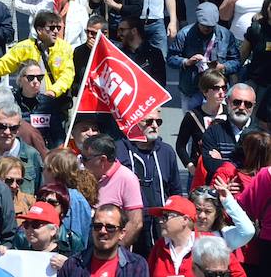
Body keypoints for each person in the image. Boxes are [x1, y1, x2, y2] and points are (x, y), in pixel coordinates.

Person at [116, 108, 183, 256]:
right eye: (148, 121)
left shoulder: (166, 151)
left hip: (161, 225)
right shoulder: (119, 150)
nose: (154, 125)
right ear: (134, 123)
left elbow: (176, 191)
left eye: (158, 121)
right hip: (131, 225)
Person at [0, 10, 73, 102]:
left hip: (55, 101)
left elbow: (67, 75)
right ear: (39, 30)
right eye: (51, 28)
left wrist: (53, 91)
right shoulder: (25, 46)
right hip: (30, 101)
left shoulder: (64, 48)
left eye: (58, 28)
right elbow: (3, 64)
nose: (56, 31)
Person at [146, 196, 247, 277]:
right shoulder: (160, 246)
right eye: (160, 217)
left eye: (166, 217)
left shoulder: (209, 243)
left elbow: (238, 274)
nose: (160, 221)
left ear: (185, 220)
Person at [168, 3, 240, 111]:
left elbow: (236, 61)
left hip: (217, 88)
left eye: (211, 26)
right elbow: (170, 58)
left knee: (217, 123)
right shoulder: (184, 34)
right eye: (204, 25)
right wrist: (186, 62)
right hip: (192, 89)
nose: (207, 28)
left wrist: (223, 67)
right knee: (192, 122)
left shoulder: (226, 35)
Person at [79, 134, 144, 248]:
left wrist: (114, 251)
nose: (82, 162)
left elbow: (135, 222)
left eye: (85, 159)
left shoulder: (127, 178)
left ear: (102, 159)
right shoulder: (83, 175)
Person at [57, 204, 149, 277]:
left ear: (122, 233)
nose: (103, 231)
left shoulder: (136, 266)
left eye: (110, 227)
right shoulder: (73, 265)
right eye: (97, 226)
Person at [202, 83, 258, 180]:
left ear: (253, 106)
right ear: (227, 101)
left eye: (247, 104)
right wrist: (247, 168)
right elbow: (210, 164)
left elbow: (263, 170)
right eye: (237, 102)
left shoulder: (261, 135)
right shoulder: (213, 132)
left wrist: (223, 162)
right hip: (219, 189)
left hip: (251, 191)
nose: (241, 107)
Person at [0, 102, 43, 196]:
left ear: (19, 128)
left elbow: (40, 191)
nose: (7, 132)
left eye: (13, 128)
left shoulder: (31, 155)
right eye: (2, 126)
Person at [189, 183, 255, 253]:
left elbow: (247, 231)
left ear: (217, 214)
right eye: (198, 210)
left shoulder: (225, 235)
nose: (202, 216)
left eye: (208, 211)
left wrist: (228, 201)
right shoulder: (181, 233)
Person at [117, 17, 167, 88]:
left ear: (134, 31)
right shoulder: (118, 53)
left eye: (122, 30)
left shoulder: (154, 54)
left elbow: (160, 84)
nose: (118, 34)